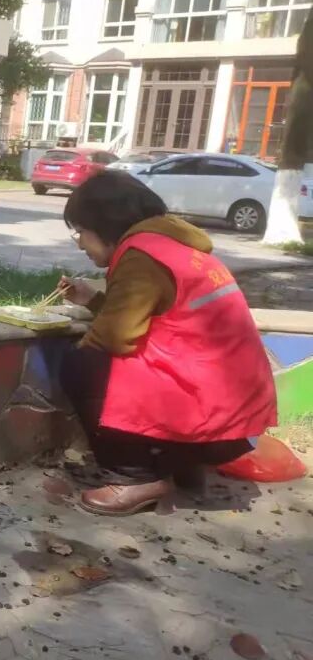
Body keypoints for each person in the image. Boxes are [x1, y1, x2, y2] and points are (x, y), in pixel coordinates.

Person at [56, 170, 277, 516]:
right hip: (236, 411)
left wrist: (85, 354)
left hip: (209, 409)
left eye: (80, 231)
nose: (80, 243)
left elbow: (115, 336)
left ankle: (133, 476)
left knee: (83, 363)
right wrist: (93, 300)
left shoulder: (140, 254)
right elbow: (162, 320)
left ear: (104, 224)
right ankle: (183, 466)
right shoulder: (175, 246)